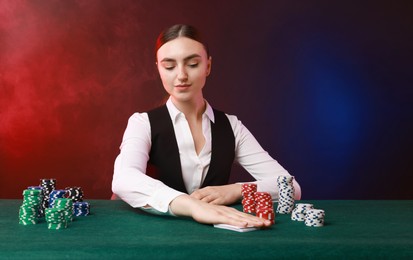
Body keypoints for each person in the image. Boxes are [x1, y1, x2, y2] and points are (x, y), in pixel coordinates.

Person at [112, 24, 301, 228]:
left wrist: (233, 190)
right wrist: (193, 206)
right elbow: (124, 179)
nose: (181, 75)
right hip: (151, 235)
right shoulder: (142, 123)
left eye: (192, 64)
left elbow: (291, 187)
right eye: (169, 66)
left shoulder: (231, 126)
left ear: (208, 66)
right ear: (158, 68)